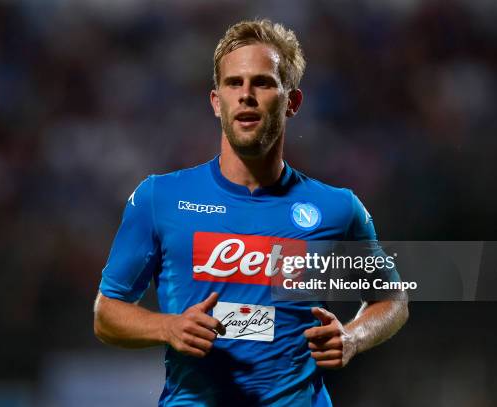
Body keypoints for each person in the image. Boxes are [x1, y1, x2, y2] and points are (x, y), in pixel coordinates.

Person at [94, 19, 408, 407]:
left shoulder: (337, 208)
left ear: (292, 102)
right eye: (233, 83)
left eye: (262, 82)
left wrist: (353, 337)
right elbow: (107, 312)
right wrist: (168, 326)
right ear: (216, 101)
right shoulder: (160, 197)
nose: (246, 95)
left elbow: (391, 298)